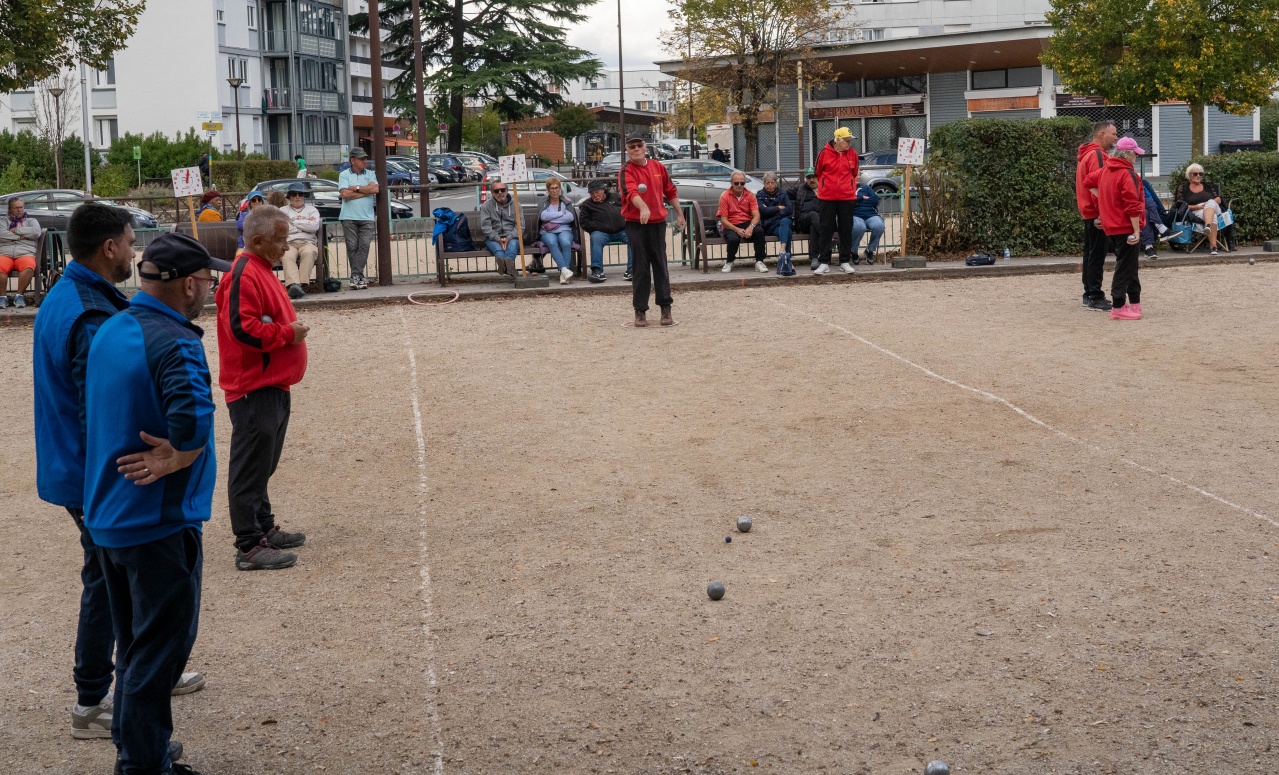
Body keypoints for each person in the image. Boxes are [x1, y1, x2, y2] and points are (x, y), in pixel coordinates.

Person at [34, 204, 207, 747]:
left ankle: (140, 677)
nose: (133, 251)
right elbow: (98, 407)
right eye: (130, 241)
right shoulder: (91, 313)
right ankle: (95, 698)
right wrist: (153, 464)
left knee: (117, 581)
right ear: (109, 247)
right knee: (113, 583)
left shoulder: (76, 296)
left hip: (82, 468)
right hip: (101, 474)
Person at [84, 232, 228, 775]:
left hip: (111, 515)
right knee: (159, 650)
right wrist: (178, 457)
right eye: (207, 279)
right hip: (157, 521)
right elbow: (192, 418)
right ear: (189, 284)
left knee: (134, 644)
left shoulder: (112, 326)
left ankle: (135, 745)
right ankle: (143, 765)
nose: (211, 287)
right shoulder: (174, 341)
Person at [215, 207, 310, 571]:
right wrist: (287, 334)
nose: (285, 247)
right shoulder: (242, 275)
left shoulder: (259, 269)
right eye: (280, 240)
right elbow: (242, 329)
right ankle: (249, 544)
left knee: (263, 463)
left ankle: (263, 525)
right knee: (250, 466)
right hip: (253, 387)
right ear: (256, 241)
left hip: (272, 384)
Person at [619, 133, 685, 327]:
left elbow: (670, 191)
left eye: (639, 145)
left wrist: (680, 214)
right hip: (636, 223)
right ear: (627, 151)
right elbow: (630, 192)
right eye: (632, 147)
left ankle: (666, 308)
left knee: (660, 265)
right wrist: (643, 207)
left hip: (657, 223)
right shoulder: (626, 170)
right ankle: (640, 311)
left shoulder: (658, 167)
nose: (636, 149)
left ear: (645, 147)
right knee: (640, 268)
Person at [1085, 136, 1146, 320]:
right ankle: (1119, 305)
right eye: (1135, 154)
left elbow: (1088, 181)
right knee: (1125, 267)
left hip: (1111, 226)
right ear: (1127, 154)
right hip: (1125, 226)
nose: (1136, 157)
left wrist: (1103, 201)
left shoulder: (1106, 171)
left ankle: (1134, 302)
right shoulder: (1127, 174)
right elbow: (1132, 205)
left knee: (1129, 265)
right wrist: (1136, 230)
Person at [1075, 120, 1117, 311]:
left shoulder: (1086, 154)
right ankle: (1095, 295)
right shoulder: (1098, 155)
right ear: (1102, 134)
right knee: (1096, 255)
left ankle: (1088, 293)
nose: (1115, 137)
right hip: (1096, 213)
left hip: (1088, 212)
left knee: (1090, 254)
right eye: (1113, 134)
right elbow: (1098, 185)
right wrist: (1103, 213)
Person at [813, 126, 859, 274]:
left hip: (847, 196)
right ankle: (824, 262)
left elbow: (854, 172)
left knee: (846, 229)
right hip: (827, 197)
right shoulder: (824, 153)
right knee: (826, 228)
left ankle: (845, 261)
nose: (849, 143)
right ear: (837, 140)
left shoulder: (853, 154)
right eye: (847, 140)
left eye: (850, 140)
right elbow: (818, 171)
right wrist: (828, 185)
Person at [338, 147, 378, 290]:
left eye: (365, 158)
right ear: (352, 160)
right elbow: (344, 194)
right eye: (361, 159)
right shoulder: (343, 174)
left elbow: (375, 190)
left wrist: (355, 187)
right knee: (352, 247)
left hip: (367, 217)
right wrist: (364, 191)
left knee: (364, 245)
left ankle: (356, 275)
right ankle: (358, 277)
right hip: (348, 216)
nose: (365, 161)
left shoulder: (371, 173)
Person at [579, 179, 630, 283]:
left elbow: (628, 209)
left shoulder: (616, 197)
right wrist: (598, 226)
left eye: (597, 192)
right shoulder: (587, 205)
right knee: (595, 237)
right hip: (601, 232)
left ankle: (632, 270)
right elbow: (584, 223)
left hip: (622, 230)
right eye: (592, 193)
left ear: (603, 190)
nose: (595, 195)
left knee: (634, 237)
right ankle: (597, 271)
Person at [1173, 163, 1229, 255]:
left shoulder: (1208, 186)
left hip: (1214, 208)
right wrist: (1197, 207)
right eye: (1195, 174)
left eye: (1200, 174)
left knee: (1211, 202)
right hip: (1197, 211)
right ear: (1189, 175)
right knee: (1213, 217)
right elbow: (1180, 205)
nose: (1198, 176)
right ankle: (1213, 247)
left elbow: (1218, 199)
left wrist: (1208, 203)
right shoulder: (1183, 188)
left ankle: (1207, 226)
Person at [717, 171, 767, 273]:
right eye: (736, 183)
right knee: (733, 239)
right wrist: (737, 229)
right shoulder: (724, 196)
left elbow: (756, 215)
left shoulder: (750, 195)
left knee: (759, 232)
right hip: (730, 224)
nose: (739, 185)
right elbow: (724, 220)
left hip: (746, 222)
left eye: (742, 183)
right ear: (731, 183)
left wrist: (751, 227)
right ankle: (730, 261)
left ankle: (759, 261)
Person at [280, 183, 321, 299]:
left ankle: (303, 285)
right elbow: (283, 229)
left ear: (304, 196)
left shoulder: (312, 210)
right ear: (289, 197)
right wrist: (304, 223)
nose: (297, 197)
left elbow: (314, 226)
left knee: (309, 252)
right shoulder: (282, 210)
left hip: (308, 242)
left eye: (300, 194)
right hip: (288, 242)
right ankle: (294, 285)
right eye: (294, 194)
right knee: (286, 255)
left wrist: (293, 222)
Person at [1, 197, 40, 308]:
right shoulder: (3, 221)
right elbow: (1, 234)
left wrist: (16, 230)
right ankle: (2, 297)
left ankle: (19, 296)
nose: (19, 210)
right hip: (5, 252)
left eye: (21, 207)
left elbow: (36, 233)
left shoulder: (31, 221)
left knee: (28, 266)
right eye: (16, 208)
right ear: (10, 209)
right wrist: (21, 237)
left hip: (25, 252)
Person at [539, 178, 578, 285]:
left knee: (565, 242)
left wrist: (551, 218)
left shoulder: (566, 201)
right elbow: (543, 216)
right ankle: (564, 270)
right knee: (552, 242)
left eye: (557, 188)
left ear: (560, 189)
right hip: (547, 231)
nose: (555, 191)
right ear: (548, 190)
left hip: (565, 229)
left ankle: (563, 274)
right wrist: (561, 213)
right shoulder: (544, 202)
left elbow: (570, 217)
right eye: (552, 188)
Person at [480, 181, 521, 275]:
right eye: (496, 191)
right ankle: (507, 266)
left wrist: (509, 238)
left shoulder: (516, 205)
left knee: (513, 245)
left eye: (502, 190)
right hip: (493, 238)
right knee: (497, 248)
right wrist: (497, 238)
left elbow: (520, 226)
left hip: (512, 237)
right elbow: (486, 227)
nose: (500, 193)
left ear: (507, 191)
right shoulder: (486, 206)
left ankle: (506, 264)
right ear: (492, 193)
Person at [756, 172, 793, 267]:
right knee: (787, 231)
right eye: (767, 183)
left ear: (776, 183)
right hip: (770, 225)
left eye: (772, 182)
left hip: (783, 221)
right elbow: (763, 211)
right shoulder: (760, 195)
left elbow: (789, 209)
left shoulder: (782, 193)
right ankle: (787, 259)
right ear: (764, 183)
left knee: (785, 222)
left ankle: (782, 251)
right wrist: (778, 208)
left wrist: (772, 211)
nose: (770, 185)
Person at [788, 168, 822, 268]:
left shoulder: (826, 188)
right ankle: (827, 239)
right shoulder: (801, 188)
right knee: (813, 214)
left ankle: (814, 259)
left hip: (820, 222)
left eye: (814, 177)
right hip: (803, 221)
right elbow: (783, 193)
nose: (811, 180)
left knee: (813, 228)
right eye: (809, 178)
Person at [851, 182, 885, 263]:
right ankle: (853, 251)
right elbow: (848, 200)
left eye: (859, 174)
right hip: (855, 214)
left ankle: (870, 250)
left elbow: (875, 200)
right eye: (856, 175)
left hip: (871, 214)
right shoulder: (847, 187)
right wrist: (862, 197)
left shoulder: (866, 187)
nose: (858, 176)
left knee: (879, 226)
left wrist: (858, 201)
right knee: (859, 227)